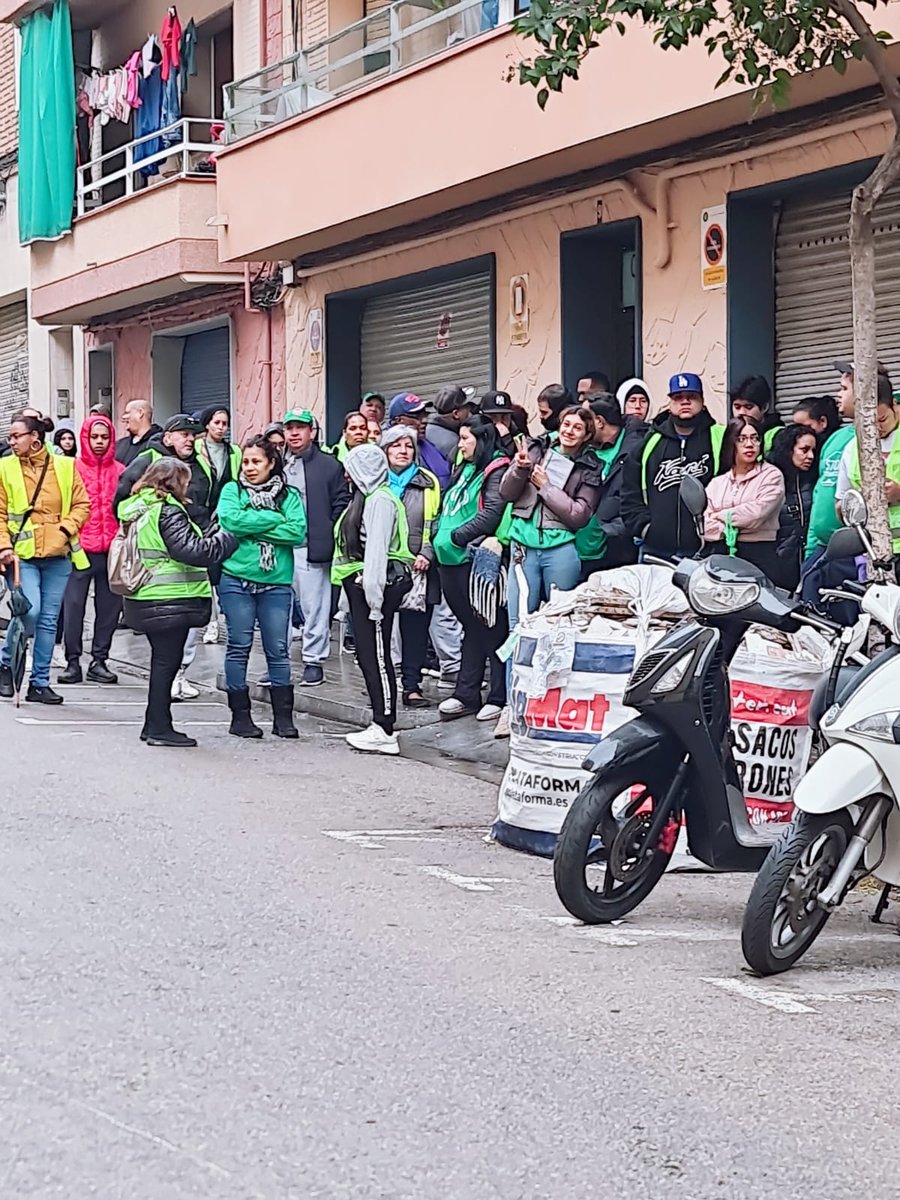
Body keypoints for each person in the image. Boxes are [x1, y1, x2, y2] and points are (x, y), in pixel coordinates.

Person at [117, 459, 236, 747]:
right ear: (174, 482)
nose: (189, 485)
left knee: (162, 661)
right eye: (186, 480)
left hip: (144, 595)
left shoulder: (137, 508)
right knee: (166, 664)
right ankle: (159, 727)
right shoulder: (168, 511)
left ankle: (154, 723)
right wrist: (229, 538)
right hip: (169, 599)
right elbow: (192, 552)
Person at [115, 414, 217, 699]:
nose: (190, 439)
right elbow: (122, 499)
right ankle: (159, 719)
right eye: (183, 433)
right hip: (164, 581)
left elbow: (207, 505)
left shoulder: (202, 464)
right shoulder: (149, 460)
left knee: (173, 650)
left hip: (184, 580)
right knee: (165, 656)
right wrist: (224, 538)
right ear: (168, 437)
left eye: (194, 435)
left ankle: (178, 682)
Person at [217, 437, 308, 739]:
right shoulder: (232, 490)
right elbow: (230, 521)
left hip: (276, 584)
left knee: (278, 651)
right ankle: (240, 717)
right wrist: (271, 518)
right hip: (236, 581)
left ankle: (283, 718)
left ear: (271, 463)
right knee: (238, 646)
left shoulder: (290, 495)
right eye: (246, 461)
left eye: (257, 461)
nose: (250, 467)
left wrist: (251, 525)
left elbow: (296, 531)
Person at [0, 415, 90, 704]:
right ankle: (5, 665)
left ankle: (39, 683)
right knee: (30, 612)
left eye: (16, 436)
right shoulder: (4, 468)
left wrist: (65, 530)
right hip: (21, 555)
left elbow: (82, 504)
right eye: (10, 437)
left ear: (35, 438)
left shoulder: (64, 466)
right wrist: (3, 547)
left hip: (58, 555)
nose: (11, 442)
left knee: (50, 621)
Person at [332, 444, 415, 755]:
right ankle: (380, 723)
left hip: (374, 590)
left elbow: (377, 554)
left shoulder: (379, 501)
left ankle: (385, 727)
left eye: (350, 467)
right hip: (364, 589)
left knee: (377, 656)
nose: (345, 473)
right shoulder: (367, 499)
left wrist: (375, 602)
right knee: (368, 655)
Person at [432, 416, 510, 722]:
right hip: (448, 561)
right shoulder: (462, 468)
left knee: (491, 627)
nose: (460, 443)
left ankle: (498, 695)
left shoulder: (496, 468)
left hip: (472, 558)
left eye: (466, 438)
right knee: (472, 628)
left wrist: (456, 536)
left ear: (482, 438)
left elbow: (492, 512)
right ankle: (467, 693)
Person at [501, 405, 601, 630]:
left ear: (586, 435)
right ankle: (516, 667)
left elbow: (579, 515)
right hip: (522, 546)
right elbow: (505, 493)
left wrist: (546, 487)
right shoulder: (536, 448)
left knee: (559, 623)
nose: (569, 431)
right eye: (566, 424)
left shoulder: (590, 467)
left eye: (577, 428)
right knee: (518, 621)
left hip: (560, 547)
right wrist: (520, 469)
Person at [621, 372, 725, 560]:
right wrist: (645, 528)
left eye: (691, 397)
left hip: (706, 550)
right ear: (670, 404)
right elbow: (629, 492)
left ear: (702, 401)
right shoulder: (650, 443)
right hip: (655, 550)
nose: (685, 402)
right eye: (678, 397)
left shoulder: (720, 438)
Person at [282, 408, 350, 687]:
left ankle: (313, 660)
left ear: (313, 431)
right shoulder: (277, 464)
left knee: (316, 607)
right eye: (290, 428)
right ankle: (278, 661)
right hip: (279, 547)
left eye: (301, 427)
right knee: (278, 608)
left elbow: (341, 501)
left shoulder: (329, 465)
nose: (295, 433)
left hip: (313, 547)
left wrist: (328, 531)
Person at [59, 415, 125, 686]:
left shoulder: (121, 471)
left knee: (109, 609)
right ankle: (72, 661)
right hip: (78, 550)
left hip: (111, 550)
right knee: (73, 607)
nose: (99, 442)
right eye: (94, 437)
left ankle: (99, 660)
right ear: (85, 438)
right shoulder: (70, 469)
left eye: (104, 437)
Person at [380, 425, 442, 709]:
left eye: (408, 446)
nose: (403, 451)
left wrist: (427, 552)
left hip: (417, 565)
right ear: (385, 449)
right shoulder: (376, 480)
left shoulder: (427, 481)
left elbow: (436, 521)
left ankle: (411, 686)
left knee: (415, 628)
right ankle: (382, 685)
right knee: (380, 627)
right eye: (396, 445)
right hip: (380, 564)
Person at [703, 417, 785, 577]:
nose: (750, 444)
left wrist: (719, 516)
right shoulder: (717, 482)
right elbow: (703, 521)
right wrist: (725, 531)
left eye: (755, 438)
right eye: (741, 439)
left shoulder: (771, 475)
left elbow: (756, 514)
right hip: (721, 553)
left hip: (760, 552)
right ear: (730, 443)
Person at [576, 393, 644, 577]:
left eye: (584, 418)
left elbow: (645, 500)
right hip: (578, 551)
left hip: (618, 554)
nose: (579, 423)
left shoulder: (639, 448)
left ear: (599, 421)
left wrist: (609, 530)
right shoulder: (583, 447)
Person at [836, 376, 900, 538]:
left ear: (894, 405)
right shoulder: (852, 449)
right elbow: (840, 506)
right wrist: (855, 502)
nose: (877, 428)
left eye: (882, 419)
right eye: (870, 424)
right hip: (871, 551)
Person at [768, 424, 819, 591]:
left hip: (808, 559)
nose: (810, 456)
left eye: (813, 450)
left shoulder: (814, 479)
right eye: (804, 450)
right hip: (778, 563)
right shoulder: (768, 478)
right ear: (789, 449)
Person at [387, 393, 451, 489]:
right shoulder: (386, 450)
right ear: (399, 420)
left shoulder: (428, 445)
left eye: (425, 415)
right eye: (417, 417)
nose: (425, 420)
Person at [196, 406, 242, 503]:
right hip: (200, 503)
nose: (221, 427)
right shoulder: (196, 447)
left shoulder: (235, 451)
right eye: (216, 423)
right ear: (207, 425)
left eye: (224, 424)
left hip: (225, 502)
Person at [731, 375, 783, 451]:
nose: (741, 412)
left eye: (748, 407)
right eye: (737, 407)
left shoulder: (778, 437)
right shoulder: (728, 435)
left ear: (765, 407)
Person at [115, 399, 162, 466]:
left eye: (127, 413)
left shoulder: (159, 444)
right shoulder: (119, 445)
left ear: (140, 413)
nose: (123, 417)